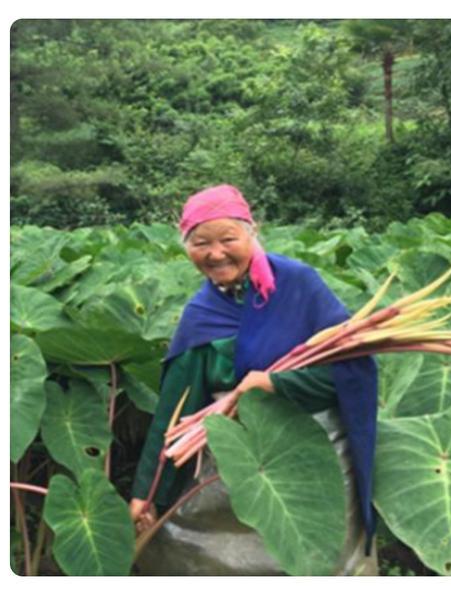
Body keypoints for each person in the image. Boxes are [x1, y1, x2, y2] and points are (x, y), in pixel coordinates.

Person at [129, 184, 378, 575]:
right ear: (186, 247)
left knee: (315, 559)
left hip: (309, 453)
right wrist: (147, 492)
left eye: (229, 238)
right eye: (200, 243)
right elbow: (174, 406)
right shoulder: (201, 313)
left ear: (252, 232)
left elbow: (353, 368)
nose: (215, 253)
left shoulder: (298, 285)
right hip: (231, 464)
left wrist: (275, 384)